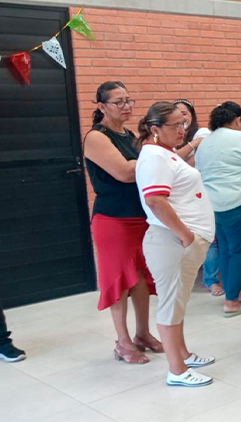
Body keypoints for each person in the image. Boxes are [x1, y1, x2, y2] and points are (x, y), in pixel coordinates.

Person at [135, 102, 217, 387]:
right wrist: (185, 235)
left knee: (178, 302)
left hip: (179, 241)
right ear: (155, 129)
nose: (182, 130)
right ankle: (177, 370)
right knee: (170, 304)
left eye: (184, 124)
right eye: (175, 125)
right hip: (170, 241)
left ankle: (183, 354)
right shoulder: (154, 157)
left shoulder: (165, 154)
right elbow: (156, 200)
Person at [83, 81, 161, 364]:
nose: (127, 107)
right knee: (119, 281)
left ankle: (143, 334)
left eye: (129, 100)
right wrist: (156, 160)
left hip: (139, 217)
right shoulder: (96, 137)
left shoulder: (130, 135)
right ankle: (123, 342)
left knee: (141, 278)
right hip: (113, 219)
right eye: (119, 102)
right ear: (102, 106)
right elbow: (125, 173)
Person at [196, 101, 241, 317]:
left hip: (212, 206)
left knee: (226, 250)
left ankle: (233, 292)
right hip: (238, 202)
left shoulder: (205, 142)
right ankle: (231, 302)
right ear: (238, 120)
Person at [174, 99, 220, 295]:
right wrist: (191, 146)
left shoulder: (203, 134)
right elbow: (174, 160)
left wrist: (184, 152)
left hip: (203, 194)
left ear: (191, 115)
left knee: (210, 238)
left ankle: (211, 280)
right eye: (176, 114)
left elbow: (189, 163)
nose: (181, 117)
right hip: (179, 196)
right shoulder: (173, 138)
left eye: (184, 113)